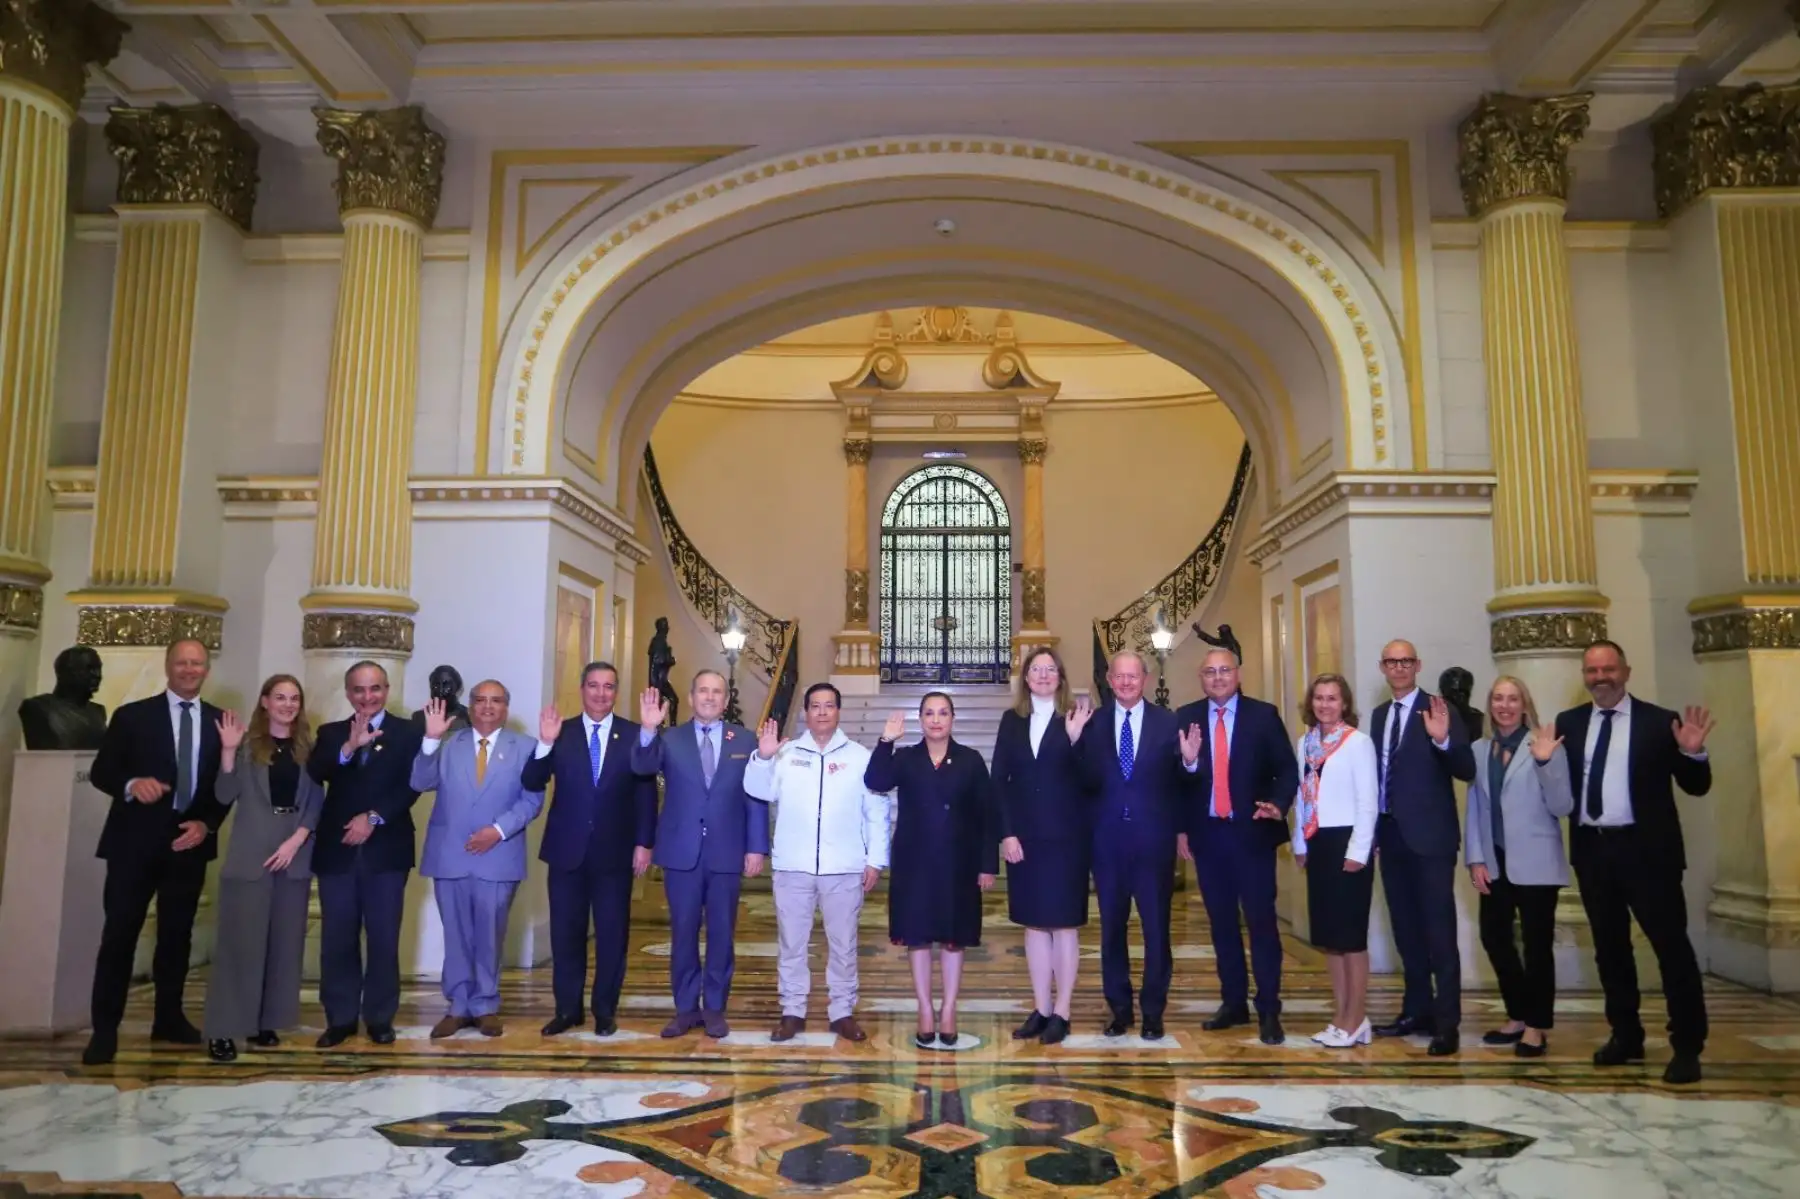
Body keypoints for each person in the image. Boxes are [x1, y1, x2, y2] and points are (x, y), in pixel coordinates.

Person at [1554, 640, 1714, 1085]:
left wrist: (1693, 753)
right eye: (1592, 671)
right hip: (1594, 853)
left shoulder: (1659, 722)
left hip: (1649, 855)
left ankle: (1687, 1046)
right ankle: (1626, 1035)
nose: (1600, 678)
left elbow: (1697, 786)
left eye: (1608, 669)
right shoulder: (1569, 723)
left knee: (1672, 949)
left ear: (1625, 671)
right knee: (1610, 951)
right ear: (1584, 676)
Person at [82, 639, 228, 1066]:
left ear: (206, 670)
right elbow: (102, 771)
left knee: (176, 937)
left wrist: (207, 823)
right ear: (168, 666)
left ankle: (168, 1018)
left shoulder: (221, 723)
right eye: (182, 662)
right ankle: (104, 1032)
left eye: (196, 663)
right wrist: (132, 784)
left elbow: (227, 785)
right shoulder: (133, 716)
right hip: (133, 845)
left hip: (188, 844)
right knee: (119, 936)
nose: (189, 669)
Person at [744, 682, 891, 1043]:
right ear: (806, 713)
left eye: (829, 706)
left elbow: (876, 811)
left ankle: (842, 1011)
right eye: (815, 706)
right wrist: (762, 757)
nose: (822, 712)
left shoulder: (859, 757)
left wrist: (875, 860)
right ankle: (792, 1010)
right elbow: (757, 790)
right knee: (792, 945)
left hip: (844, 868)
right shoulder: (785, 754)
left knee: (843, 945)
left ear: (838, 711)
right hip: (793, 867)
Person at [522, 661, 656, 1037]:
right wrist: (544, 744)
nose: (600, 693)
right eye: (594, 685)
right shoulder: (560, 732)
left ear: (616, 692)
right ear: (582, 689)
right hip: (567, 852)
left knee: (612, 936)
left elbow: (646, 792)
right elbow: (532, 780)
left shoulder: (635, 734)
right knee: (566, 934)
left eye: (608, 686)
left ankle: (604, 1010)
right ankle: (568, 1010)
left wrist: (644, 842)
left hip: (615, 852)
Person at [633, 672, 769, 1039]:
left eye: (717, 692)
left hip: (727, 851)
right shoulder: (669, 739)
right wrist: (648, 730)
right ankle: (685, 1008)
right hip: (681, 852)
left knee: (722, 934)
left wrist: (756, 846)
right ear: (691, 697)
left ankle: (715, 1008)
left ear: (726, 700)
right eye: (703, 691)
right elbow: (641, 768)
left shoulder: (745, 740)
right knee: (683, 933)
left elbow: (755, 795)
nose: (710, 697)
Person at [1176, 648, 1300, 1045]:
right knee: (1222, 925)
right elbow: (1176, 781)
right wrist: (1189, 765)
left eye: (1224, 670)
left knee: (1261, 923)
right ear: (1201, 677)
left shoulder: (1263, 716)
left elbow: (1287, 770)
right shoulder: (1186, 717)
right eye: (1209, 671)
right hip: (1209, 837)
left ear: (1238, 674)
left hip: (1253, 835)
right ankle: (1233, 1003)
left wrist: (1278, 804)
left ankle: (1269, 1008)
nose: (1217, 677)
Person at [1073, 650, 1196, 1041]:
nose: (1126, 682)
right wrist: (1074, 742)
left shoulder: (1169, 722)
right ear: (1109, 681)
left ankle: (1153, 1012)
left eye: (1133, 676)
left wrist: (1190, 763)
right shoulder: (1091, 724)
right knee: (1112, 930)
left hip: (1153, 843)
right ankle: (1120, 1009)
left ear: (1145, 679)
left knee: (1156, 930)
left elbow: (1181, 786)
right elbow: (1082, 782)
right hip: (1107, 844)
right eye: (1119, 676)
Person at [411, 683, 546, 1039]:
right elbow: (419, 781)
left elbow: (532, 801)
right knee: (455, 934)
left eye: (496, 701)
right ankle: (457, 1006)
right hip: (450, 855)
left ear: (506, 708)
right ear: (469, 707)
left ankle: (485, 1005)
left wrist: (497, 831)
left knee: (489, 933)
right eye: (480, 700)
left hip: (498, 855)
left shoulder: (527, 747)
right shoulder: (447, 744)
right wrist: (430, 740)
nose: (487, 707)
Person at [866, 693, 998, 1049]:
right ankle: (925, 1008)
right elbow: (875, 780)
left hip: (959, 862)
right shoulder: (906, 758)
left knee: (955, 937)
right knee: (918, 936)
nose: (936, 720)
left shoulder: (970, 760)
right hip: (915, 862)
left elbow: (987, 815)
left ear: (953, 718)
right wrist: (886, 740)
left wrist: (987, 864)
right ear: (920, 719)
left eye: (942, 713)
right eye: (929, 713)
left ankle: (949, 1008)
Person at [203, 675, 322, 1063]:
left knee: (282, 946)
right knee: (240, 946)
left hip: (294, 853)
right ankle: (223, 1029)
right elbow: (224, 794)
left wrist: (297, 839)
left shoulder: (308, 749)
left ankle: (264, 1021)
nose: (288, 704)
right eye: (280, 697)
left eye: (294, 698)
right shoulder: (246, 746)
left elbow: (317, 801)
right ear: (266, 702)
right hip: (251, 853)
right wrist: (227, 751)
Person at [306, 660, 423, 1048]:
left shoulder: (408, 732)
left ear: (386, 690)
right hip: (337, 851)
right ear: (348, 692)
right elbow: (316, 771)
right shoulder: (331, 733)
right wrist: (349, 747)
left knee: (384, 938)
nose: (367, 696)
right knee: (337, 938)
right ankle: (340, 1018)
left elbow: (413, 785)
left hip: (387, 850)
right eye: (359, 689)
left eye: (375, 688)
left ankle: (379, 1017)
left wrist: (373, 817)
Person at [1368, 639, 1476, 1055]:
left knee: (1439, 933)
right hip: (1391, 836)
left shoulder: (1440, 708)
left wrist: (1443, 740)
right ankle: (1417, 1010)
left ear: (1418, 665)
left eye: (1406, 661)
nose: (1399, 668)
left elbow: (1465, 768)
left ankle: (1447, 1023)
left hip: (1431, 840)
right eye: (1392, 662)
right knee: (1406, 930)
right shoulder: (1380, 716)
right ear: (1383, 667)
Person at [1465, 676, 1571, 1058]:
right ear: (1490, 705)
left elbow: (1562, 805)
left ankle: (1536, 1027)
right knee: (1494, 937)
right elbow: (1475, 807)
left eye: (1513, 699)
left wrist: (1545, 763)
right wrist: (1475, 857)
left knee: (1537, 946)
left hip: (1536, 863)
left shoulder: (1544, 745)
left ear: (1524, 705)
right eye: (1498, 699)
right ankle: (1518, 1014)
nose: (1505, 706)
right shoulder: (1480, 749)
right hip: (1495, 861)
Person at [991, 646, 1088, 1045]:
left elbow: (1092, 780)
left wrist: (1076, 741)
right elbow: (999, 781)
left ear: (1060, 676)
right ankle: (1041, 1008)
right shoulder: (1011, 720)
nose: (1044, 675)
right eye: (1036, 669)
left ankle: (1062, 1012)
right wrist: (1007, 833)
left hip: (1067, 837)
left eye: (1050, 669)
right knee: (1033, 924)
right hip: (1025, 838)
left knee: (1063, 924)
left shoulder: (1078, 717)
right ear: (1026, 678)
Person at [1291, 673, 1379, 1047]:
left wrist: (1359, 851)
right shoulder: (1306, 743)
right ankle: (1341, 1016)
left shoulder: (1358, 742)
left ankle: (1356, 1017)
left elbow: (1368, 801)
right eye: (1319, 698)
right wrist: (1300, 841)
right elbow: (1302, 796)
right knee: (1330, 938)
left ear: (1344, 704)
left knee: (1351, 937)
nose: (1324, 704)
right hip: (1318, 842)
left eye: (1332, 698)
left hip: (1348, 843)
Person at [17, 644, 107, 750]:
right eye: (89, 669)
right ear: (66, 673)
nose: (97, 675)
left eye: (98, 669)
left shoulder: (98, 711)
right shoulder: (38, 707)